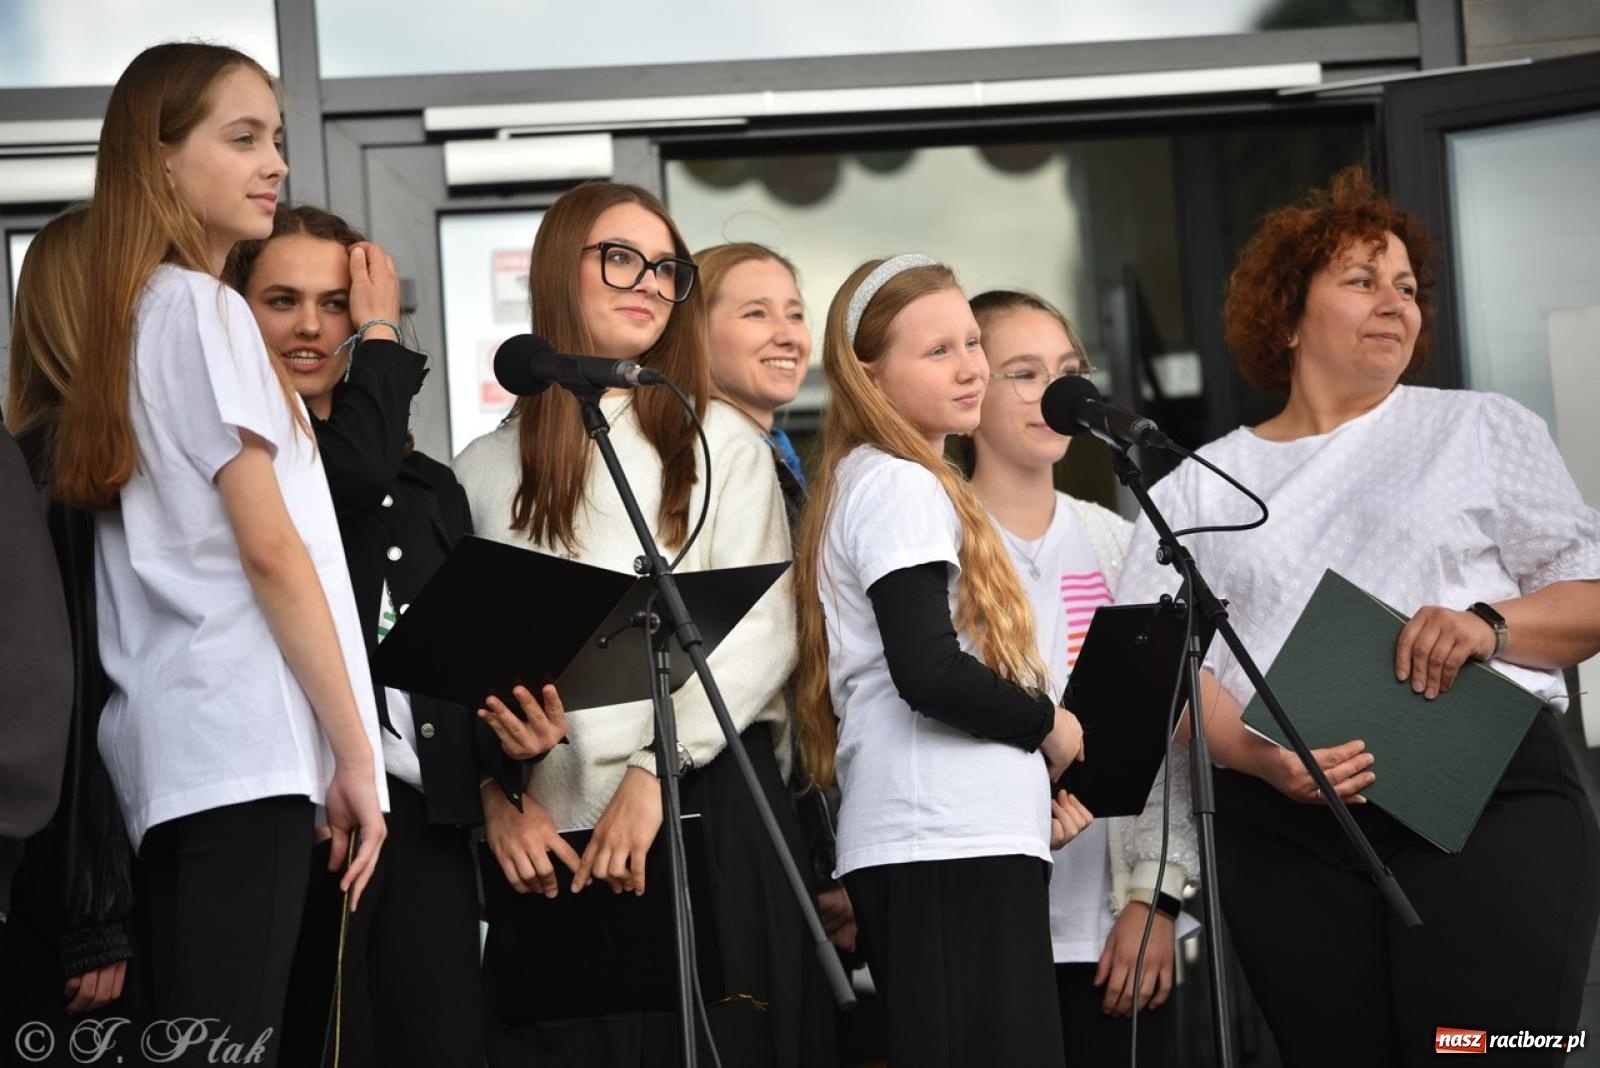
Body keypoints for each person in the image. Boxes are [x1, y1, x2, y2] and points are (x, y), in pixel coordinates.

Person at [1116, 166, 1600, 1067]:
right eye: (1362, 280)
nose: (1395, 302)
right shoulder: (1191, 484)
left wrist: (1488, 624)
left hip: (1483, 801)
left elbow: (1592, 592)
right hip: (1287, 832)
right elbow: (1162, 676)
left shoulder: (1480, 427)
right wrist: (1258, 755)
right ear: (1288, 318)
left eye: (1408, 287)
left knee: (1488, 1053)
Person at [51, 44, 388, 1064]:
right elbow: (272, 551)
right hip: (239, 753)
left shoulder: (140, 313)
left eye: (276, 139)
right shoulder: (199, 308)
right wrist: (356, 752)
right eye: (242, 139)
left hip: (184, 756)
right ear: (156, 162)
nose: (275, 162)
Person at [452, 181, 833, 1067]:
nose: (650, 283)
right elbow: (455, 672)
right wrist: (498, 803)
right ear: (559, 270)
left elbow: (764, 633)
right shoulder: (477, 470)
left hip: (695, 811)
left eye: (668, 268)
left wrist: (658, 769)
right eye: (622, 257)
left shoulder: (716, 443)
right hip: (547, 855)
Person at [226, 203, 552, 1068]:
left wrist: (509, 748)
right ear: (233, 312)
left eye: (336, 303)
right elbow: (345, 478)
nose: (309, 325)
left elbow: (441, 675)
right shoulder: (244, 466)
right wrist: (380, 332)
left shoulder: (429, 486)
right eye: (280, 299)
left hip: (427, 833)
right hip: (300, 822)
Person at [792, 254, 1094, 1067]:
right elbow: (926, 670)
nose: (971, 367)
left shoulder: (890, 478)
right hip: (940, 843)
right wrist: (1049, 728)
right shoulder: (898, 484)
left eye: (971, 342)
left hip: (951, 838)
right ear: (870, 377)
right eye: (938, 351)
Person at [964, 289, 1198, 1064]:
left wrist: (1156, 898)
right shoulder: (933, 542)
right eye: (1023, 373)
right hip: (991, 926)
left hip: (1113, 935)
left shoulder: (1118, 540)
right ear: (970, 386)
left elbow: (1164, 731)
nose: (1054, 396)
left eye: (1068, 372)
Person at [2, 207, 149, 1059]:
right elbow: (74, 690)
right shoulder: (67, 470)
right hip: (86, 901)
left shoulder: (42, 455)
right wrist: (95, 919)